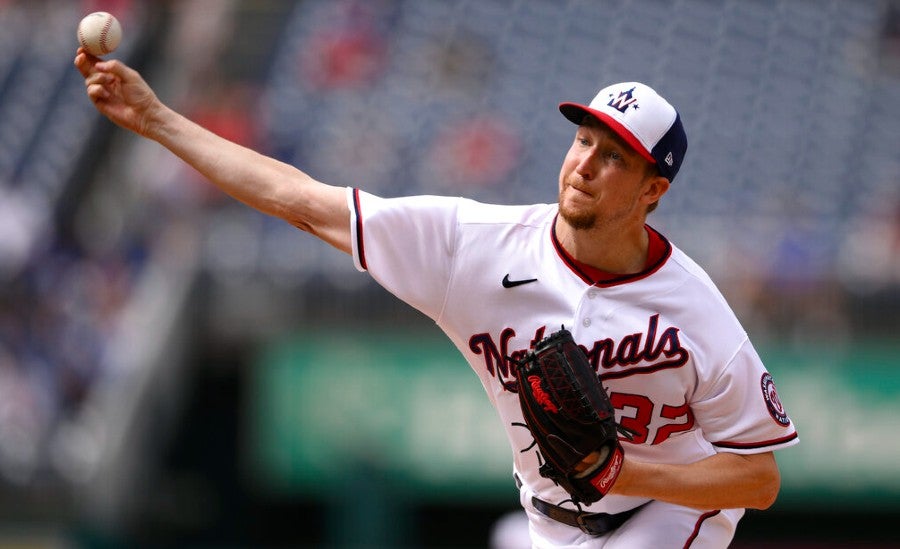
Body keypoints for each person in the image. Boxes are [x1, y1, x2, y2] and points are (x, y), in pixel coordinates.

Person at [75, 48, 799, 548]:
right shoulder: (471, 246)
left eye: (615, 157)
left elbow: (759, 478)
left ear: (652, 191)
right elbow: (301, 200)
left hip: (668, 515)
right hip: (545, 521)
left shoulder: (695, 310)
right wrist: (158, 120)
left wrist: (627, 471)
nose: (586, 164)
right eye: (583, 140)